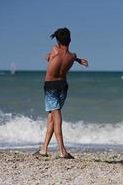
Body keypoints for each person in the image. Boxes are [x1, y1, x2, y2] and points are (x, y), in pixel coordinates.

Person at [34, 27, 88, 159]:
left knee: (56, 118)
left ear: (58, 40)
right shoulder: (72, 56)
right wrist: (79, 60)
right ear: (70, 40)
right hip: (63, 87)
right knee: (52, 117)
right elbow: (68, 57)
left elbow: (49, 58)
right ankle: (43, 149)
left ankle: (62, 151)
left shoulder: (54, 49)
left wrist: (49, 57)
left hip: (51, 86)